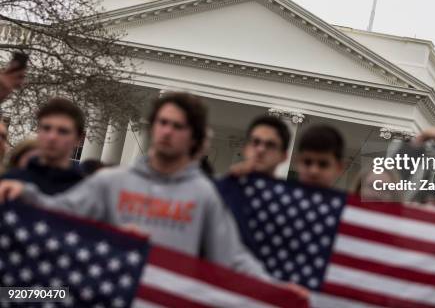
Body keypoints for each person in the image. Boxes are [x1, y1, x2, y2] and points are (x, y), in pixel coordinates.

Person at [0, 92, 269, 279]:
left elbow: (232, 257)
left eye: (178, 126)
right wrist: (26, 194)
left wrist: (280, 292)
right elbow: (62, 215)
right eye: (163, 123)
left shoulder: (204, 195)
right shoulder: (111, 182)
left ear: (193, 137)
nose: (167, 131)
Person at [1, 98, 86, 194]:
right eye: (46, 128)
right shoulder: (8, 183)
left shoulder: (86, 193)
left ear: (79, 139)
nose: (52, 137)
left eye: (63, 131)